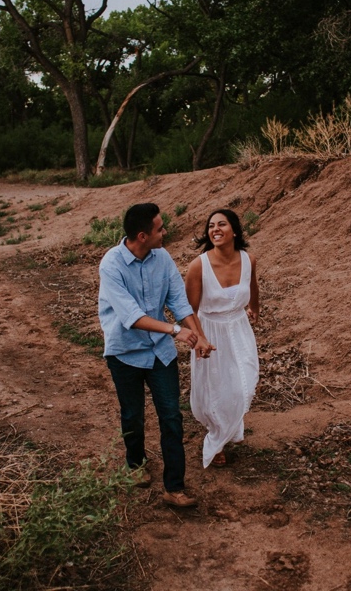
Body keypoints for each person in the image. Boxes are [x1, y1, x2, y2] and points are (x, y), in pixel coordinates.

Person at [98, 203, 214, 508]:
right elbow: (131, 316)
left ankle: (174, 487)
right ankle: (135, 464)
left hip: (160, 353)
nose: (165, 232)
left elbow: (179, 300)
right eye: (160, 228)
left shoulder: (161, 258)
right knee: (133, 416)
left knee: (172, 417)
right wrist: (175, 331)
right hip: (125, 352)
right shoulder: (111, 265)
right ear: (141, 235)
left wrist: (199, 334)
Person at [184, 209, 260, 469]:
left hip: (239, 328)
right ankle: (216, 440)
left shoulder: (248, 259)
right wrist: (199, 339)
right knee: (216, 388)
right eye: (211, 226)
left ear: (234, 230)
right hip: (210, 331)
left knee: (244, 383)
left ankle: (231, 425)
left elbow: (253, 286)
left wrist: (255, 309)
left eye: (222, 224)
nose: (215, 229)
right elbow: (189, 309)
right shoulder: (199, 265)